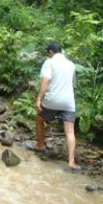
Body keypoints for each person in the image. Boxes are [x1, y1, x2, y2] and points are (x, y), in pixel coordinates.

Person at [26, 41, 81, 172]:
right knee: (70, 131)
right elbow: (71, 83)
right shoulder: (71, 64)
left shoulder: (49, 62)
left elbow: (46, 80)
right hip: (68, 101)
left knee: (39, 118)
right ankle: (71, 162)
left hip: (52, 100)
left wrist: (38, 99)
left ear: (50, 52)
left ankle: (40, 145)